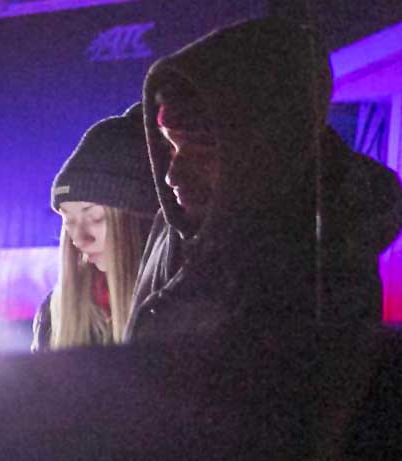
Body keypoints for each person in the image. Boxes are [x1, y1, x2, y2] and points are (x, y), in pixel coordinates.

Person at [129, 18, 402, 340]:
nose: (173, 174)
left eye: (204, 148)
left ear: (267, 148)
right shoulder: (172, 230)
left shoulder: (321, 273)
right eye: (171, 147)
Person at [34, 105, 159, 350]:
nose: (79, 239)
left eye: (95, 217)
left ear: (137, 218)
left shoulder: (175, 308)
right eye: (69, 221)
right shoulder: (55, 314)